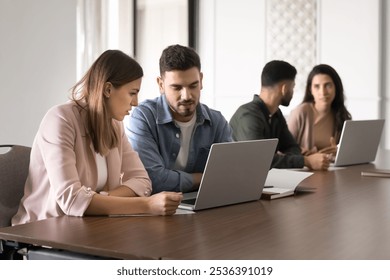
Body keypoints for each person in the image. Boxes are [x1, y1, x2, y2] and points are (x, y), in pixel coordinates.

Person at [12, 50, 182, 225]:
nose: (136, 102)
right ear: (108, 89)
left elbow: (142, 181)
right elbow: (71, 200)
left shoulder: (115, 125)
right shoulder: (60, 119)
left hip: (87, 224)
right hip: (43, 229)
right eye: (132, 93)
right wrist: (147, 206)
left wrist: (98, 199)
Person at [125, 44, 233, 193]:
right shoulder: (143, 117)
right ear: (161, 84)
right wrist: (203, 178)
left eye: (193, 86)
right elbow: (153, 179)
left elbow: (229, 174)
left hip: (205, 205)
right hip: (158, 210)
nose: (187, 96)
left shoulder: (216, 121)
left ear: (201, 80)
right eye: (177, 88)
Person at [229, 60, 330, 170]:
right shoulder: (248, 116)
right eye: (293, 87)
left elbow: (291, 147)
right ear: (284, 88)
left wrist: (296, 158)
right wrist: (305, 161)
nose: (292, 91)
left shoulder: (276, 113)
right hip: (241, 181)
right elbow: (258, 159)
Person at [287, 64, 352, 156]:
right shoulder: (300, 112)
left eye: (328, 85)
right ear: (310, 90)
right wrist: (312, 156)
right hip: (303, 169)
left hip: (330, 168)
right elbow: (284, 149)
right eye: (317, 86)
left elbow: (348, 153)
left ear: (336, 88)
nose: (323, 92)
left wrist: (339, 152)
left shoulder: (341, 115)